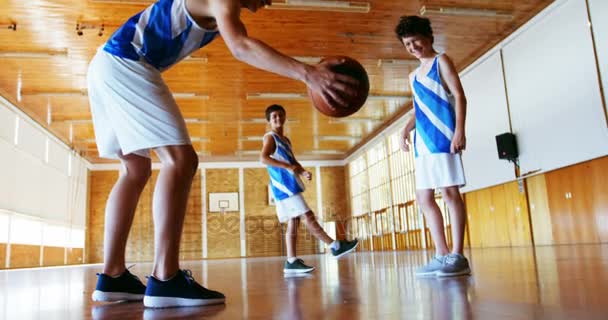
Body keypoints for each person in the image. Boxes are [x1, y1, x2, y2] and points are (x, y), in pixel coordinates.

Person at [89, 0, 359, 308]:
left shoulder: (224, 13)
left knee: (135, 169)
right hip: (128, 62)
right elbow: (241, 47)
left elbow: (245, 43)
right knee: (181, 160)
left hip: (105, 65)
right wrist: (308, 74)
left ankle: (112, 276)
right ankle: (166, 279)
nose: (270, 2)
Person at [395, 16, 471, 277]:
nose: (413, 46)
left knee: (450, 194)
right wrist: (405, 129)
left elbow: (459, 95)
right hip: (423, 142)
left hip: (443, 136)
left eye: (415, 40)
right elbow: (418, 108)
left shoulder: (442, 61)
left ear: (428, 37)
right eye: (407, 44)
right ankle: (441, 253)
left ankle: (458, 255)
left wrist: (460, 130)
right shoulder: (412, 75)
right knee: (424, 198)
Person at [260, 104, 359, 274]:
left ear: (284, 117)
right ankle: (334, 246)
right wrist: (287, 167)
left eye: (280, 115)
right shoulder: (270, 137)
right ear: (269, 121)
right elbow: (263, 158)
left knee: (294, 221)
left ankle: (291, 261)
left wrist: (302, 171)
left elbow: (293, 161)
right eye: (274, 116)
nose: (278, 118)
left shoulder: (286, 140)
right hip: (283, 186)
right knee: (308, 215)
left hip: (290, 185)